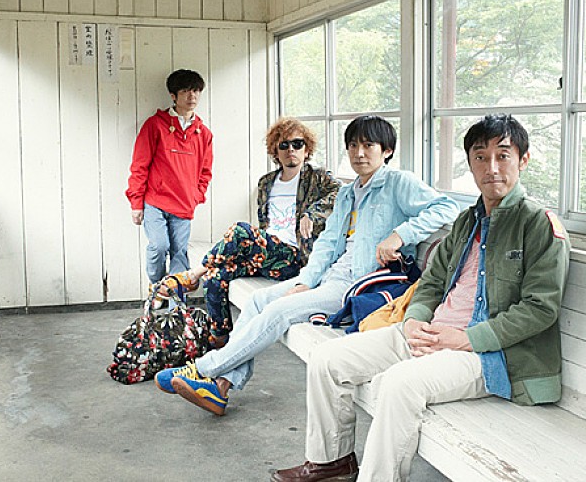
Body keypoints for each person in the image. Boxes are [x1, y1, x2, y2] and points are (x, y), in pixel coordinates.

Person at [272, 114, 571, 482]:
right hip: (430, 333)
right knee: (327, 359)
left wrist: (466, 338)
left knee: (398, 383)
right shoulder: (467, 222)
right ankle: (330, 462)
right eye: (480, 157)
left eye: (503, 156)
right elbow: (431, 282)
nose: (491, 168)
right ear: (470, 163)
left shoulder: (538, 224)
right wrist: (414, 318)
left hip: (488, 354)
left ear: (523, 160)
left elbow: (540, 308)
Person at [154, 115, 460, 416]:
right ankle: (220, 388)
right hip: (330, 275)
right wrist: (306, 281)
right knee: (259, 300)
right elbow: (328, 242)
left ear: (387, 150)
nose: (359, 153)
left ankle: (204, 369)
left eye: (369, 145)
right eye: (353, 146)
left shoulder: (397, 183)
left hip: (357, 283)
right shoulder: (349, 192)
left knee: (278, 311)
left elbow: (446, 207)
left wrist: (399, 235)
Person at [155, 117, 340, 347]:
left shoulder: (317, 178)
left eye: (297, 144)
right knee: (215, 276)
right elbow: (264, 226)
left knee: (240, 230)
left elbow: (341, 193)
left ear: (307, 149)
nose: (291, 149)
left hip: (293, 258)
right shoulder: (267, 183)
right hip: (265, 254)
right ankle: (220, 337)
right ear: (275, 151)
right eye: (284, 145)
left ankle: (192, 275)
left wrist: (312, 214)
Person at [125, 69, 213, 286]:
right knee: (159, 246)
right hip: (155, 202)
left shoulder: (204, 133)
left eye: (196, 91)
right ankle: (157, 287)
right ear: (173, 96)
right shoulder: (155, 125)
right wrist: (136, 203)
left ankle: (176, 300)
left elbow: (205, 172)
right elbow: (139, 166)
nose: (192, 96)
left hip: (184, 204)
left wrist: (196, 196)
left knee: (179, 253)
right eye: (185, 91)